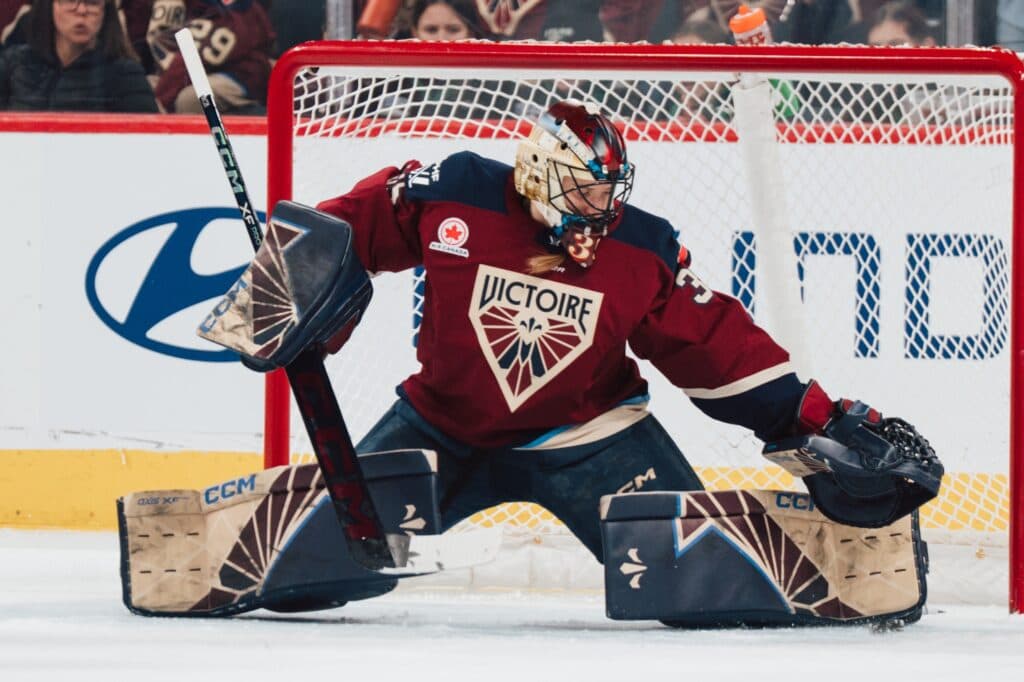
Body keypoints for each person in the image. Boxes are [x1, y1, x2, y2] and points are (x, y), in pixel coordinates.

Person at [304, 100, 938, 559]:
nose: (599, 212)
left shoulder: (640, 247)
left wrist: (814, 415)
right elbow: (354, 225)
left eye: (608, 194)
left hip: (592, 436)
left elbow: (711, 345)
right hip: (440, 426)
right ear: (535, 172)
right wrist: (291, 272)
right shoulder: (457, 193)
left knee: (700, 569)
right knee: (328, 555)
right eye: (582, 193)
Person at [0, 0, 157, 111]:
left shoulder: (126, 75)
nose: (81, 10)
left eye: (92, 2)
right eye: (70, 1)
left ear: (105, 11)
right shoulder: (14, 63)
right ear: (51, 6)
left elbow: (147, 146)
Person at [148, 0, 274, 115]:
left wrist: (161, 100)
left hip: (240, 76)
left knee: (191, 98)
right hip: (188, 70)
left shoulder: (244, 13)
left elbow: (191, 61)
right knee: (145, 85)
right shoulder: (188, 5)